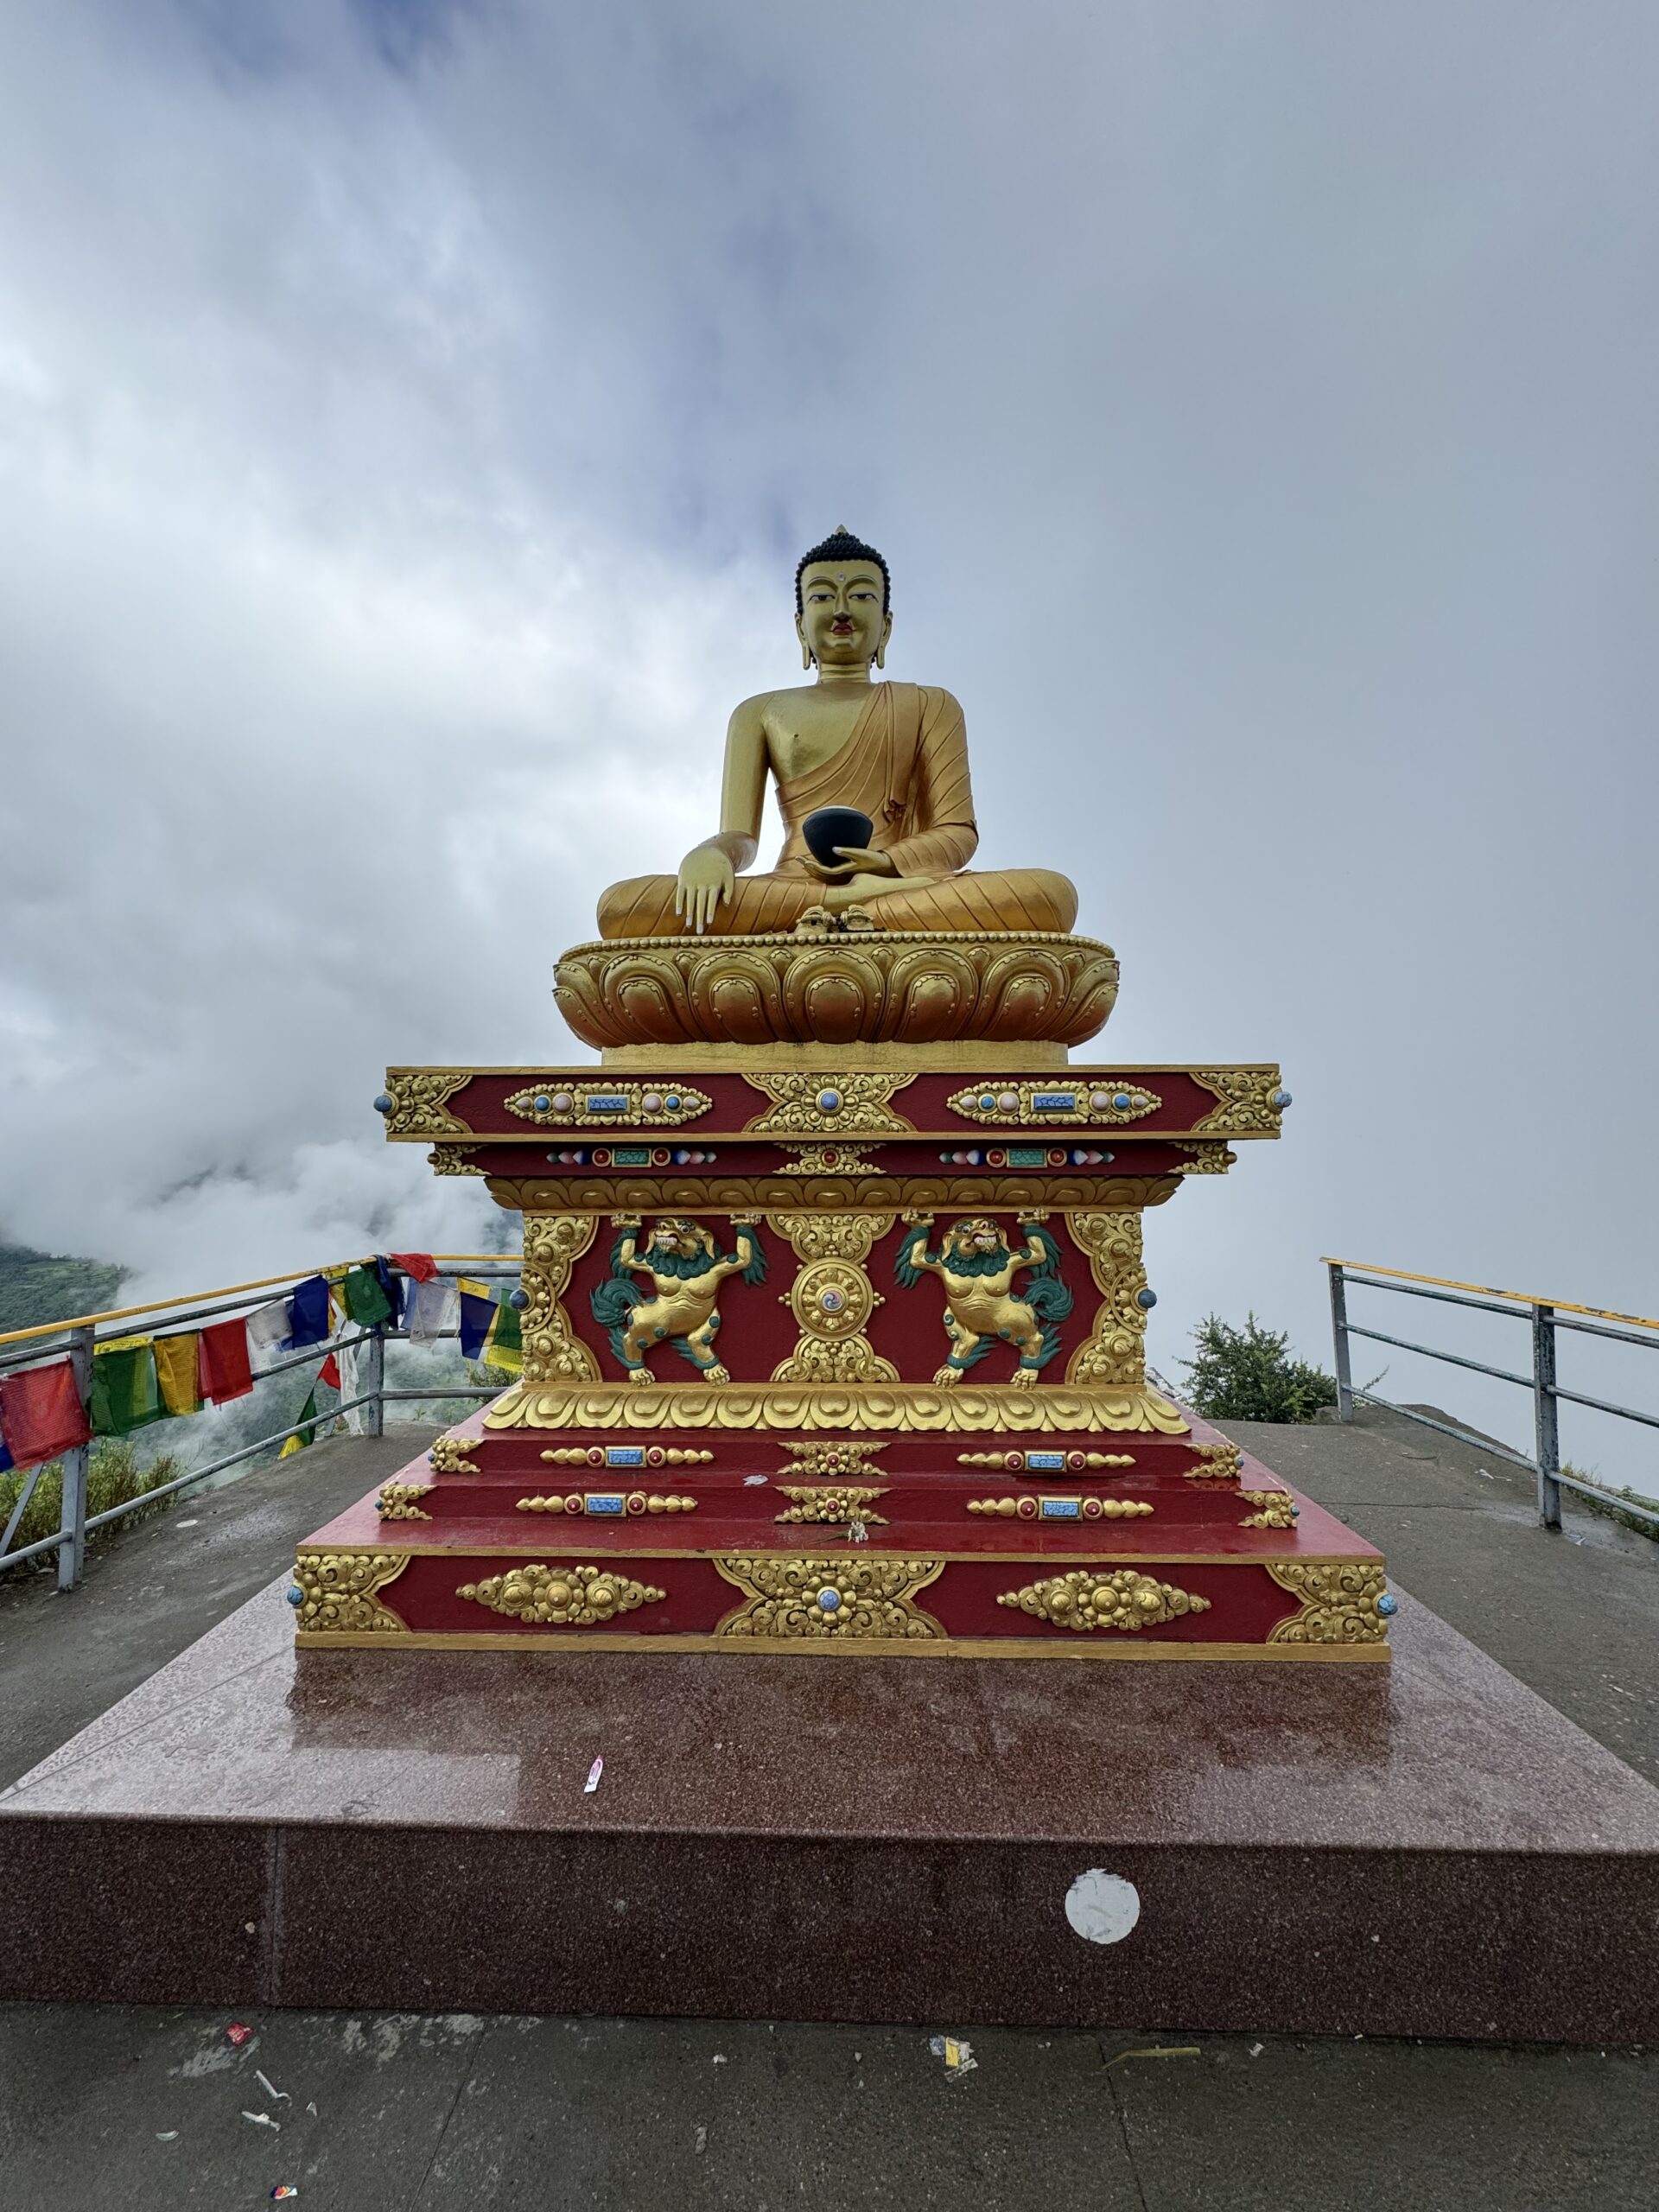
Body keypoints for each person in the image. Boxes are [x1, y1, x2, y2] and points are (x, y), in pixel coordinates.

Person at [595, 528, 1078, 939]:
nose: (842, 609)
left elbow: (956, 833)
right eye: (823, 596)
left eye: (862, 596)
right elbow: (740, 836)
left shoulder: (931, 704)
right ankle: (847, 907)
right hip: (793, 888)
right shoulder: (759, 712)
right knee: (623, 907)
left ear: (885, 627)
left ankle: (853, 906)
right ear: (800, 628)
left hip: (896, 882)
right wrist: (711, 854)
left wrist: (884, 865)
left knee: (1047, 896)